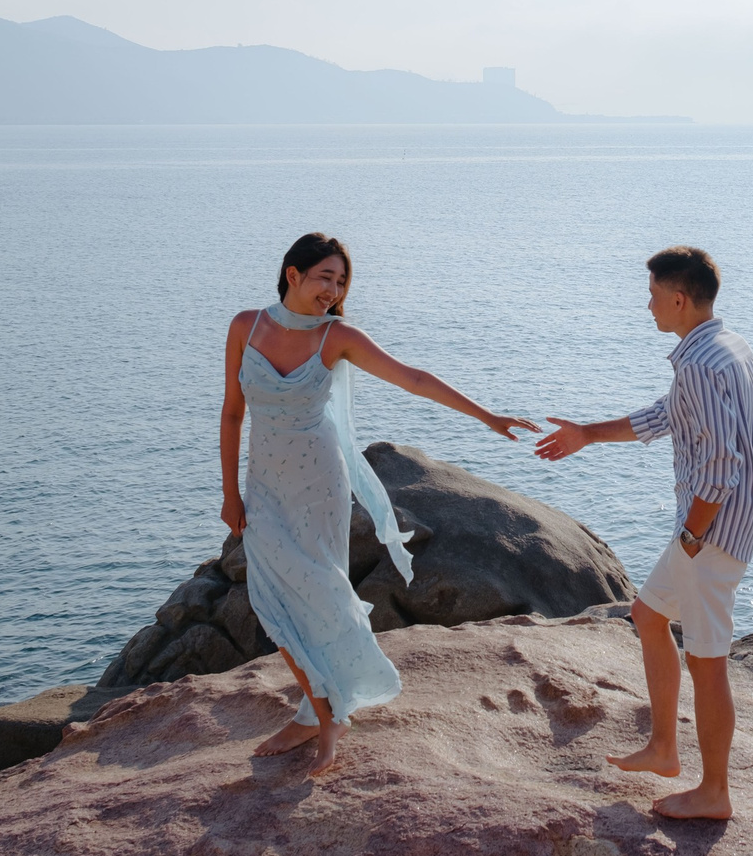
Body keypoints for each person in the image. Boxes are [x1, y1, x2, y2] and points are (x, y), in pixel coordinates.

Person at [222, 232, 535, 775]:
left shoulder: (336, 335)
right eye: (325, 277)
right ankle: (318, 708)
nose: (334, 290)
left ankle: (325, 718)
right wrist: (230, 495)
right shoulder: (245, 327)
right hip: (265, 485)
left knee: (322, 592)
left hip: (318, 482)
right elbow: (232, 413)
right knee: (271, 597)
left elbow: (411, 378)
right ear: (292, 274)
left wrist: (488, 416)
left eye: (341, 281)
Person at [534, 245, 753, 820]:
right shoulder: (724, 346)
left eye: (655, 295)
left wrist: (691, 538)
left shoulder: (701, 364)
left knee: (707, 662)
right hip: (707, 530)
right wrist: (587, 433)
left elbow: (722, 464)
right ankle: (664, 748)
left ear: (679, 299)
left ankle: (715, 794)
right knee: (648, 615)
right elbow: (668, 417)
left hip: (709, 537)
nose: (649, 305)